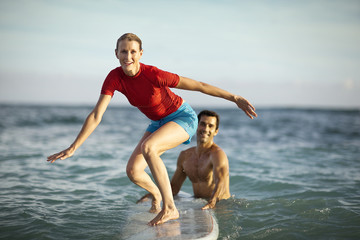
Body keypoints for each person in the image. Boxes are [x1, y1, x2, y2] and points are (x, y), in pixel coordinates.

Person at [47, 33, 257, 226]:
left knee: (149, 147)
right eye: (123, 51)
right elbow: (96, 115)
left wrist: (234, 98)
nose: (128, 56)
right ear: (116, 53)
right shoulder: (114, 77)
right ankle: (157, 194)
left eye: (132, 51)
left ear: (140, 53)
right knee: (133, 171)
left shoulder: (154, 74)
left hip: (183, 117)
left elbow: (199, 85)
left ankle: (170, 208)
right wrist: (74, 147)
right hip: (158, 122)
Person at [138, 110, 230, 209]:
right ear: (196, 126)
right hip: (200, 202)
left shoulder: (217, 155)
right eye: (202, 124)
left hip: (220, 205)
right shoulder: (185, 155)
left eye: (210, 126)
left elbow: (221, 182)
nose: (205, 129)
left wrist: (212, 202)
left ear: (216, 131)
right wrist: (153, 195)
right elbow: (174, 188)